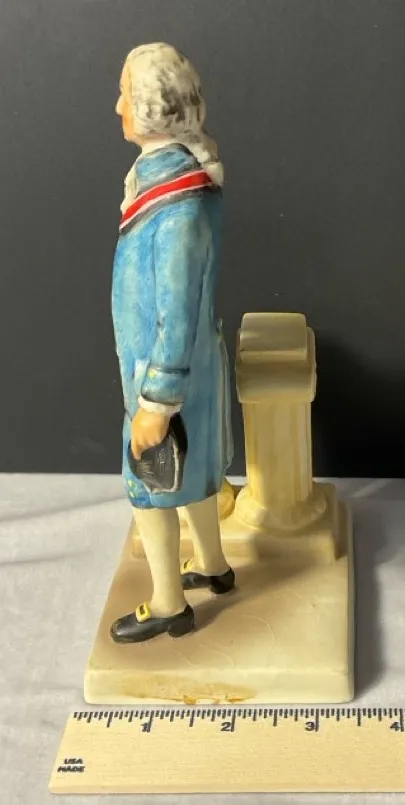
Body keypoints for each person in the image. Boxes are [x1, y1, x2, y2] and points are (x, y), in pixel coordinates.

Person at [110, 43, 234, 644]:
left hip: (164, 374)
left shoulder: (177, 207)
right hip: (196, 367)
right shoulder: (175, 180)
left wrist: (156, 404)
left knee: (150, 487)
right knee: (194, 469)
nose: (116, 108)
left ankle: (167, 603)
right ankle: (212, 565)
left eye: (123, 95)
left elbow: (175, 311)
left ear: (151, 109)